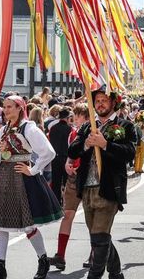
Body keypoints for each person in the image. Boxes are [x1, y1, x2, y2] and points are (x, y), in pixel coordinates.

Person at [0, 95, 62, 279]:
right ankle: (0, 267)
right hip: (3, 178)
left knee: (28, 225)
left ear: (20, 108)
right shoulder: (3, 128)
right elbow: (1, 156)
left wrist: (33, 170)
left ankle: (43, 261)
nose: (6, 109)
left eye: (10, 106)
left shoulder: (29, 128)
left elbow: (49, 152)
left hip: (22, 178)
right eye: (5, 106)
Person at [67, 88, 136, 279]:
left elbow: (129, 153)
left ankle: (94, 275)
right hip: (87, 188)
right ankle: (115, 272)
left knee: (99, 236)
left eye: (104, 100)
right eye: (97, 101)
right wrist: (87, 144)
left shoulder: (125, 126)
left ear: (113, 103)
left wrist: (105, 144)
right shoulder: (88, 126)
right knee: (99, 237)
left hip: (108, 188)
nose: (100, 104)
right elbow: (72, 151)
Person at [50, 103, 89, 271]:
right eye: (76, 116)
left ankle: (95, 254)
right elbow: (70, 154)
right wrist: (69, 164)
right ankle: (60, 255)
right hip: (74, 178)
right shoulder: (73, 132)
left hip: (89, 179)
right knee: (67, 214)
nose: (76, 119)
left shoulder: (94, 132)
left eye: (79, 116)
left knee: (92, 220)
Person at [48, 107, 73, 205]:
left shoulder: (53, 128)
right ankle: (67, 202)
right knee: (67, 181)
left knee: (56, 182)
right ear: (67, 118)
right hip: (66, 158)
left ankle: (56, 203)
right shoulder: (70, 129)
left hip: (55, 157)